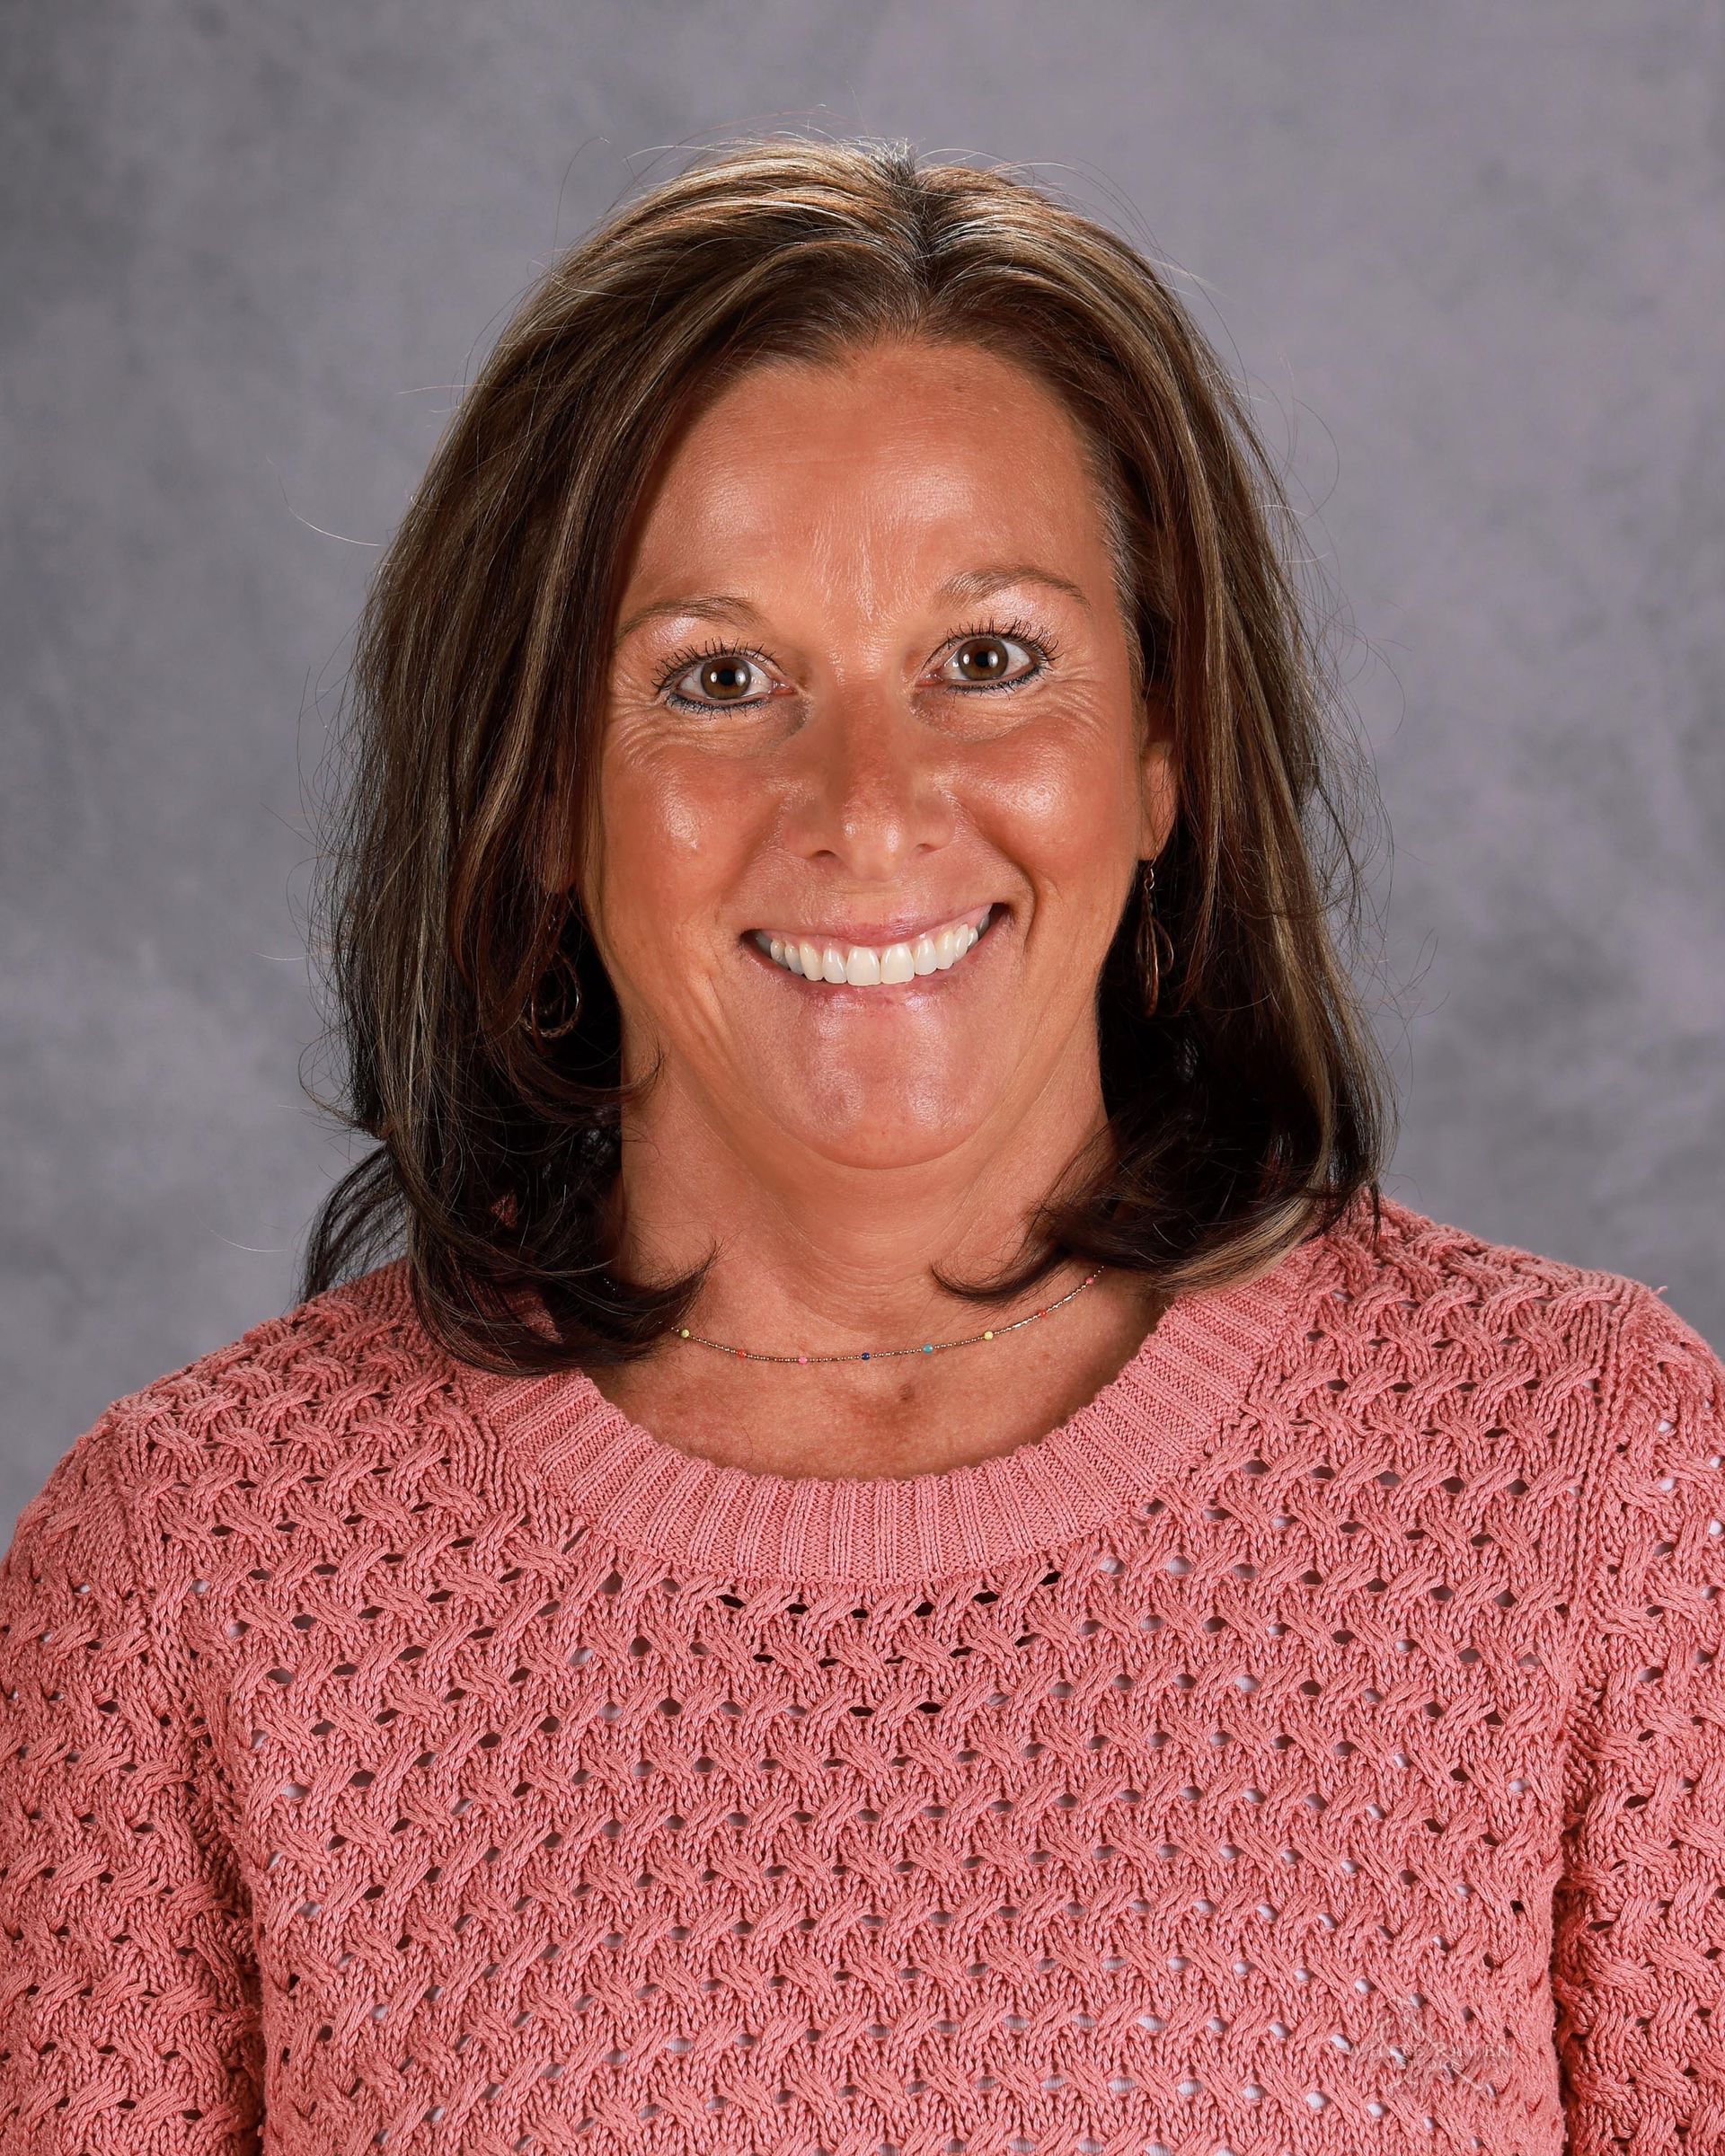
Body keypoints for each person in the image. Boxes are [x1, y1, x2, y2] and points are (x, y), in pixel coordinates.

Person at [1, 135, 1719, 2156]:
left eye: (989, 662)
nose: (871, 803)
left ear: (1164, 747)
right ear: (539, 793)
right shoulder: (195, 1580)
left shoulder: (1606, 1497)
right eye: (720, 682)